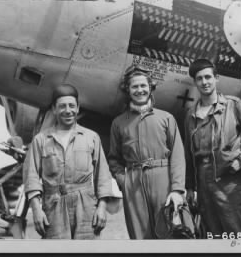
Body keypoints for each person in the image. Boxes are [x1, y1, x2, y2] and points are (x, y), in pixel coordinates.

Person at [183, 59, 241, 238]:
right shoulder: (190, 116)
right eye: (199, 78)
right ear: (195, 82)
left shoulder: (234, 105)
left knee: (239, 238)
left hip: (230, 183)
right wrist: (190, 187)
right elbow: (189, 154)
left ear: (216, 78)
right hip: (203, 188)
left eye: (208, 77)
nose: (204, 82)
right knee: (211, 239)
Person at [23, 84, 113, 239]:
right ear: (54, 109)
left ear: (78, 108)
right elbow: (31, 176)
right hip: (53, 206)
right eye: (62, 106)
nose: (68, 110)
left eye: (72, 105)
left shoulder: (91, 137)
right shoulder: (41, 140)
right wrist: (36, 209)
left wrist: (102, 207)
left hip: (86, 206)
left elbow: (103, 176)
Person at [108, 65, 186, 239]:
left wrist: (177, 189)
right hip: (134, 182)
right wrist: (124, 182)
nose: (140, 90)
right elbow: (114, 159)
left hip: (163, 180)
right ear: (127, 90)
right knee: (140, 235)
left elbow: (178, 156)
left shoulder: (166, 118)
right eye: (135, 86)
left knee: (169, 232)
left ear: (150, 87)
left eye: (143, 86)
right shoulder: (119, 123)